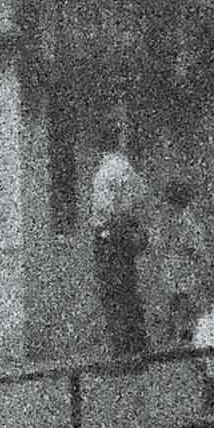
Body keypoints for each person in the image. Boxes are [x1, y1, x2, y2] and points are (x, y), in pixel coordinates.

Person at [84, 141, 149, 360]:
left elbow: (106, 210)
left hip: (110, 239)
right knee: (129, 293)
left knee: (112, 296)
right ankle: (137, 348)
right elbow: (139, 200)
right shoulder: (128, 169)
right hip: (125, 237)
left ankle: (121, 352)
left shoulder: (104, 173)